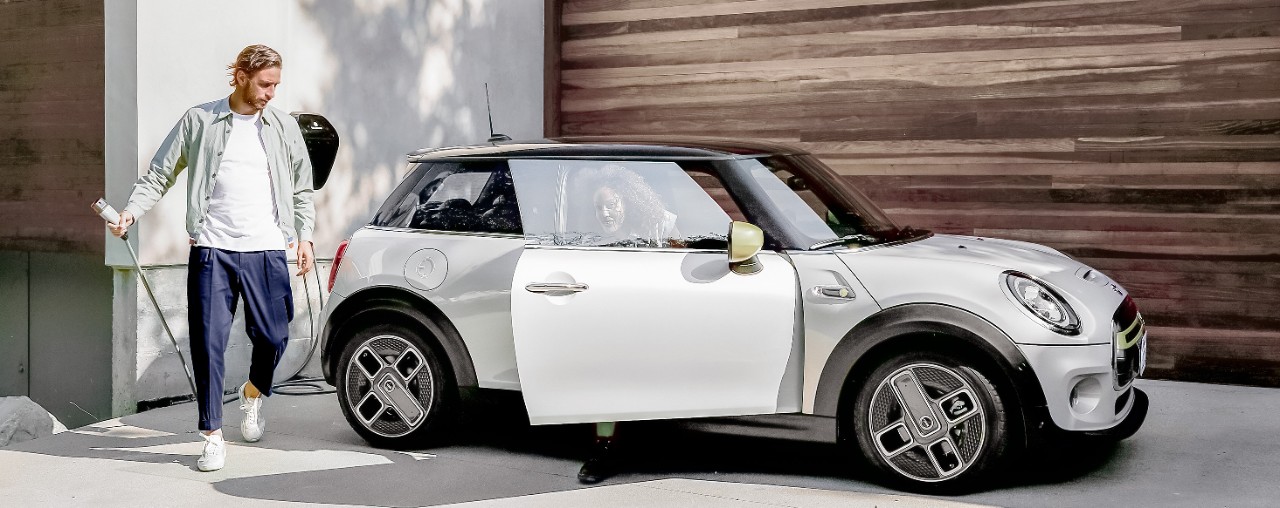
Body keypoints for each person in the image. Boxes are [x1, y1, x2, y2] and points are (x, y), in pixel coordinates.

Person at [107, 45, 315, 472]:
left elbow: (301, 187)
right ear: (240, 75)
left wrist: (306, 236)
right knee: (208, 345)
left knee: (275, 337)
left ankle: (253, 394)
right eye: (264, 84)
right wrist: (131, 211)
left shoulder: (282, 127)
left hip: (268, 248)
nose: (271, 93)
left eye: (276, 85)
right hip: (212, 250)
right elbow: (160, 173)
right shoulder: (199, 120)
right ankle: (212, 434)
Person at [582, 164, 678, 248]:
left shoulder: (659, 224)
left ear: (627, 202)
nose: (604, 213)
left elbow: (684, 256)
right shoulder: (590, 242)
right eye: (598, 207)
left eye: (611, 205)